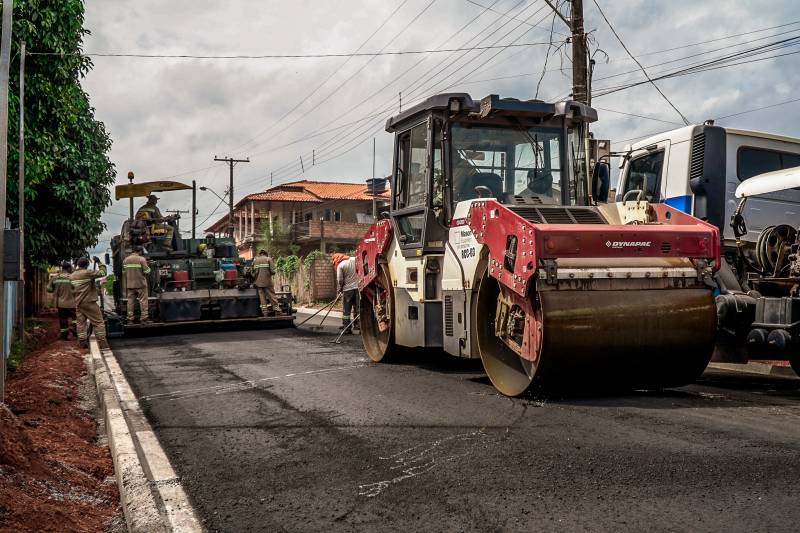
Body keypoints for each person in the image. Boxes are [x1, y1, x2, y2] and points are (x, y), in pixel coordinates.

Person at [70, 256, 108, 350]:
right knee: (98, 323)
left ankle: (82, 342)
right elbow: (103, 272)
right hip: (89, 302)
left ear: (78, 264)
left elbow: (72, 289)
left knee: (81, 324)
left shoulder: (72, 276)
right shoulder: (88, 272)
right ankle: (102, 343)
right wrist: (99, 262)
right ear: (87, 265)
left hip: (78, 303)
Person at [47, 261, 76, 340]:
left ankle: (64, 336)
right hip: (72, 303)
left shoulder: (55, 278)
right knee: (75, 319)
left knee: (63, 320)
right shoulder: (73, 277)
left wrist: (54, 289)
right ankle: (75, 332)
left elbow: (48, 289)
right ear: (68, 268)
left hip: (60, 304)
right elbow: (78, 288)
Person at [332, 253, 359, 334]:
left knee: (346, 310)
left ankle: (347, 327)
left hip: (347, 290)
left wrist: (340, 288)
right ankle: (358, 326)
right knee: (358, 308)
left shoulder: (340, 265)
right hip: (358, 288)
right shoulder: (355, 259)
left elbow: (340, 279)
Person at [123, 246, 151, 323]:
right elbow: (147, 271)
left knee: (130, 302)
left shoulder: (126, 260)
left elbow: (124, 272)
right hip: (141, 284)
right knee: (143, 301)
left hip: (130, 284)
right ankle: (144, 318)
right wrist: (148, 266)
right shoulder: (142, 259)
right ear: (140, 251)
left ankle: (130, 318)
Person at [252, 249, 281, 316]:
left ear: (260, 254)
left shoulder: (255, 260)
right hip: (267, 282)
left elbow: (253, 273)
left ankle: (265, 312)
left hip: (258, 283)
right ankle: (277, 311)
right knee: (272, 297)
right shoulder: (268, 259)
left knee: (262, 299)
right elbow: (273, 271)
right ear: (265, 254)